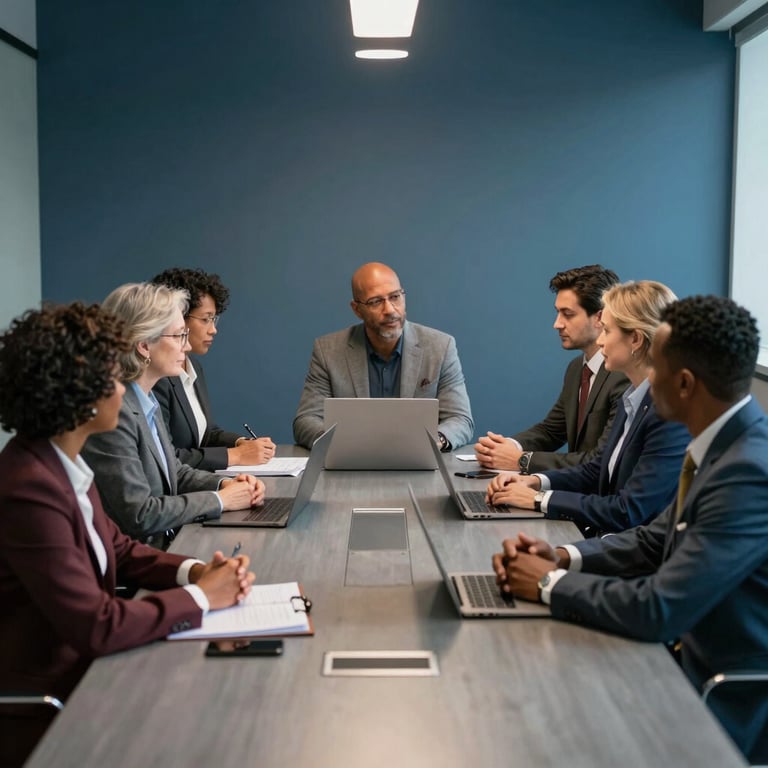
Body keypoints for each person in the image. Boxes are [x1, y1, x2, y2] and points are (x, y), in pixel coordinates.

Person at [491, 295, 768, 763]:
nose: (640, 381)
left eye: (655, 368)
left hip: (722, 697)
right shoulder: (723, 445)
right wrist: (562, 557)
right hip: (677, 659)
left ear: (683, 383)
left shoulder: (746, 473)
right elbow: (653, 539)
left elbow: (660, 607)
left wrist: (545, 583)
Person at [0, 303, 256, 767]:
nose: (124, 388)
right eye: (115, 378)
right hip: (56, 704)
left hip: (96, 671)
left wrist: (195, 571)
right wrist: (202, 599)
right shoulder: (28, 489)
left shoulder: (59, 462)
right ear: (80, 394)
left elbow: (117, 548)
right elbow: (97, 626)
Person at [486, 281, 688, 534]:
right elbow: (596, 470)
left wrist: (538, 500)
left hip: (632, 552)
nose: (600, 341)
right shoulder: (633, 398)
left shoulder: (668, 415)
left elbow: (628, 510)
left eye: (607, 331)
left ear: (635, 339)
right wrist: (534, 482)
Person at [82, 283, 265, 547]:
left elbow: (174, 473)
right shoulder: (115, 413)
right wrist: (221, 501)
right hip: (141, 564)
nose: (186, 346)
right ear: (144, 345)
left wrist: (226, 484)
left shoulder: (147, 397)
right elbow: (139, 515)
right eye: (179, 336)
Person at [292, 262, 474, 450]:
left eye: (395, 297)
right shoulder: (328, 351)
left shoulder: (440, 347)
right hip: (351, 467)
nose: (389, 310)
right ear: (357, 309)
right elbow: (306, 420)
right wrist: (340, 444)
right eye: (376, 302)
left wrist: (435, 442)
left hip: (420, 465)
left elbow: (460, 419)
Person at [475, 265, 628, 473]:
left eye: (568, 314)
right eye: (558, 313)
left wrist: (522, 460)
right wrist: (506, 447)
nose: (557, 324)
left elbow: (600, 459)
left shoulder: (623, 374)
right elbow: (552, 431)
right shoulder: (576, 369)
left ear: (600, 318)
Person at [150, 267, 275, 471]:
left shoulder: (194, 367)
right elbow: (168, 458)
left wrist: (241, 443)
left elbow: (206, 434)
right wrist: (234, 456)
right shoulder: (157, 378)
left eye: (214, 319)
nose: (213, 329)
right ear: (179, 317)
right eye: (205, 319)